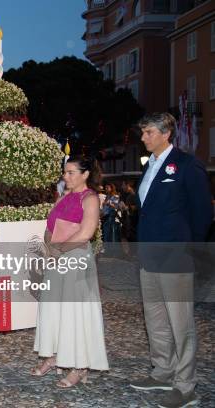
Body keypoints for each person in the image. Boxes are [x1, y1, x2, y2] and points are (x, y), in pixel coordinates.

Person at [129, 113, 212, 408]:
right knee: (156, 319)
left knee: (181, 324)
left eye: (148, 132)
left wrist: (190, 250)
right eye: (142, 132)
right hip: (148, 255)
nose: (143, 138)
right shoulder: (150, 166)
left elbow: (203, 213)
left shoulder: (188, 165)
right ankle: (162, 371)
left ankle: (186, 385)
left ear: (166, 133)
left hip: (176, 256)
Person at [31, 156, 109, 387]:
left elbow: (86, 232)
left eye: (71, 172)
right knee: (55, 310)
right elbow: (49, 226)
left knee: (75, 313)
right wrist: (50, 247)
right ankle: (55, 355)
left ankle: (79, 365)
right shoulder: (64, 196)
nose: (66, 176)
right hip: (57, 259)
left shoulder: (90, 198)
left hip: (75, 260)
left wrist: (59, 250)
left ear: (85, 174)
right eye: (65, 172)